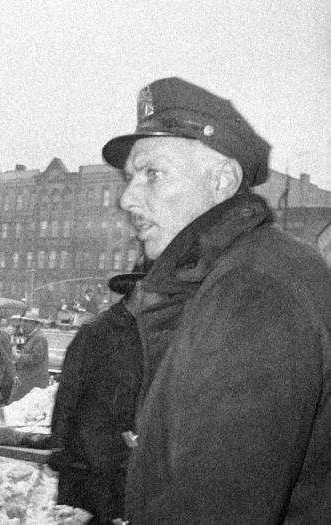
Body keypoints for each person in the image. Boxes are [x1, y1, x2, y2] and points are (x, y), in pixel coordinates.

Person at [101, 77, 331, 523]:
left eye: (153, 173)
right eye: (130, 178)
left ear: (223, 180)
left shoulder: (252, 293)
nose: (127, 199)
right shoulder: (243, 274)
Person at [49, 268, 146, 524]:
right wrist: (58, 443)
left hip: (123, 453)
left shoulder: (146, 332)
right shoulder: (97, 331)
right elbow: (69, 390)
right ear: (138, 290)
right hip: (88, 455)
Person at [7, 312, 49, 403]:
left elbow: (36, 358)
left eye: (26, 322)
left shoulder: (39, 338)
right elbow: (15, 344)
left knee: (16, 405)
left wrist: (18, 357)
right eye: (22, 321)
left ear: (34, 324)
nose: (23, 324)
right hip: (25, 379)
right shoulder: (28, 336)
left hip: (33, 380)